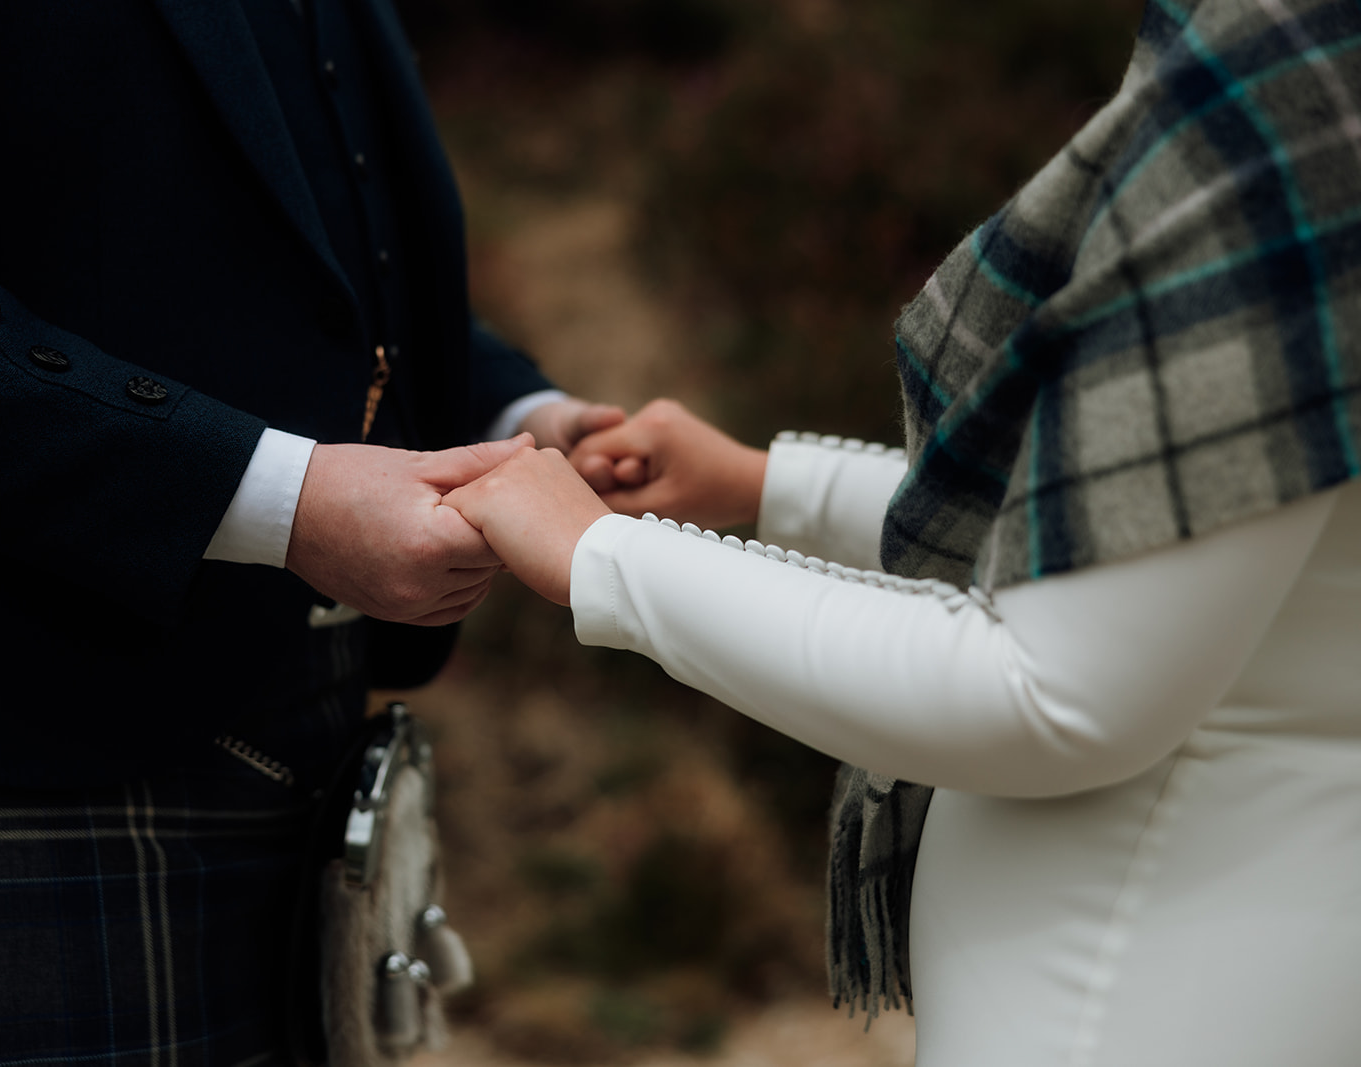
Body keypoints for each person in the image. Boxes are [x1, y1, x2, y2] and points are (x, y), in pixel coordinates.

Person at [445, 0, 1361, 1062]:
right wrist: (771, 482)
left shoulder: (1291, 91)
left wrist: (605, 560)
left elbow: (1050, 692)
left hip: (1117, 1006)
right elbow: (1141, 534)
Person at [0, 1, 619, 1063]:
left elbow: (314, 230)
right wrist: (275, 497)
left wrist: (517, 419)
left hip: (299, 739)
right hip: (13, 754)